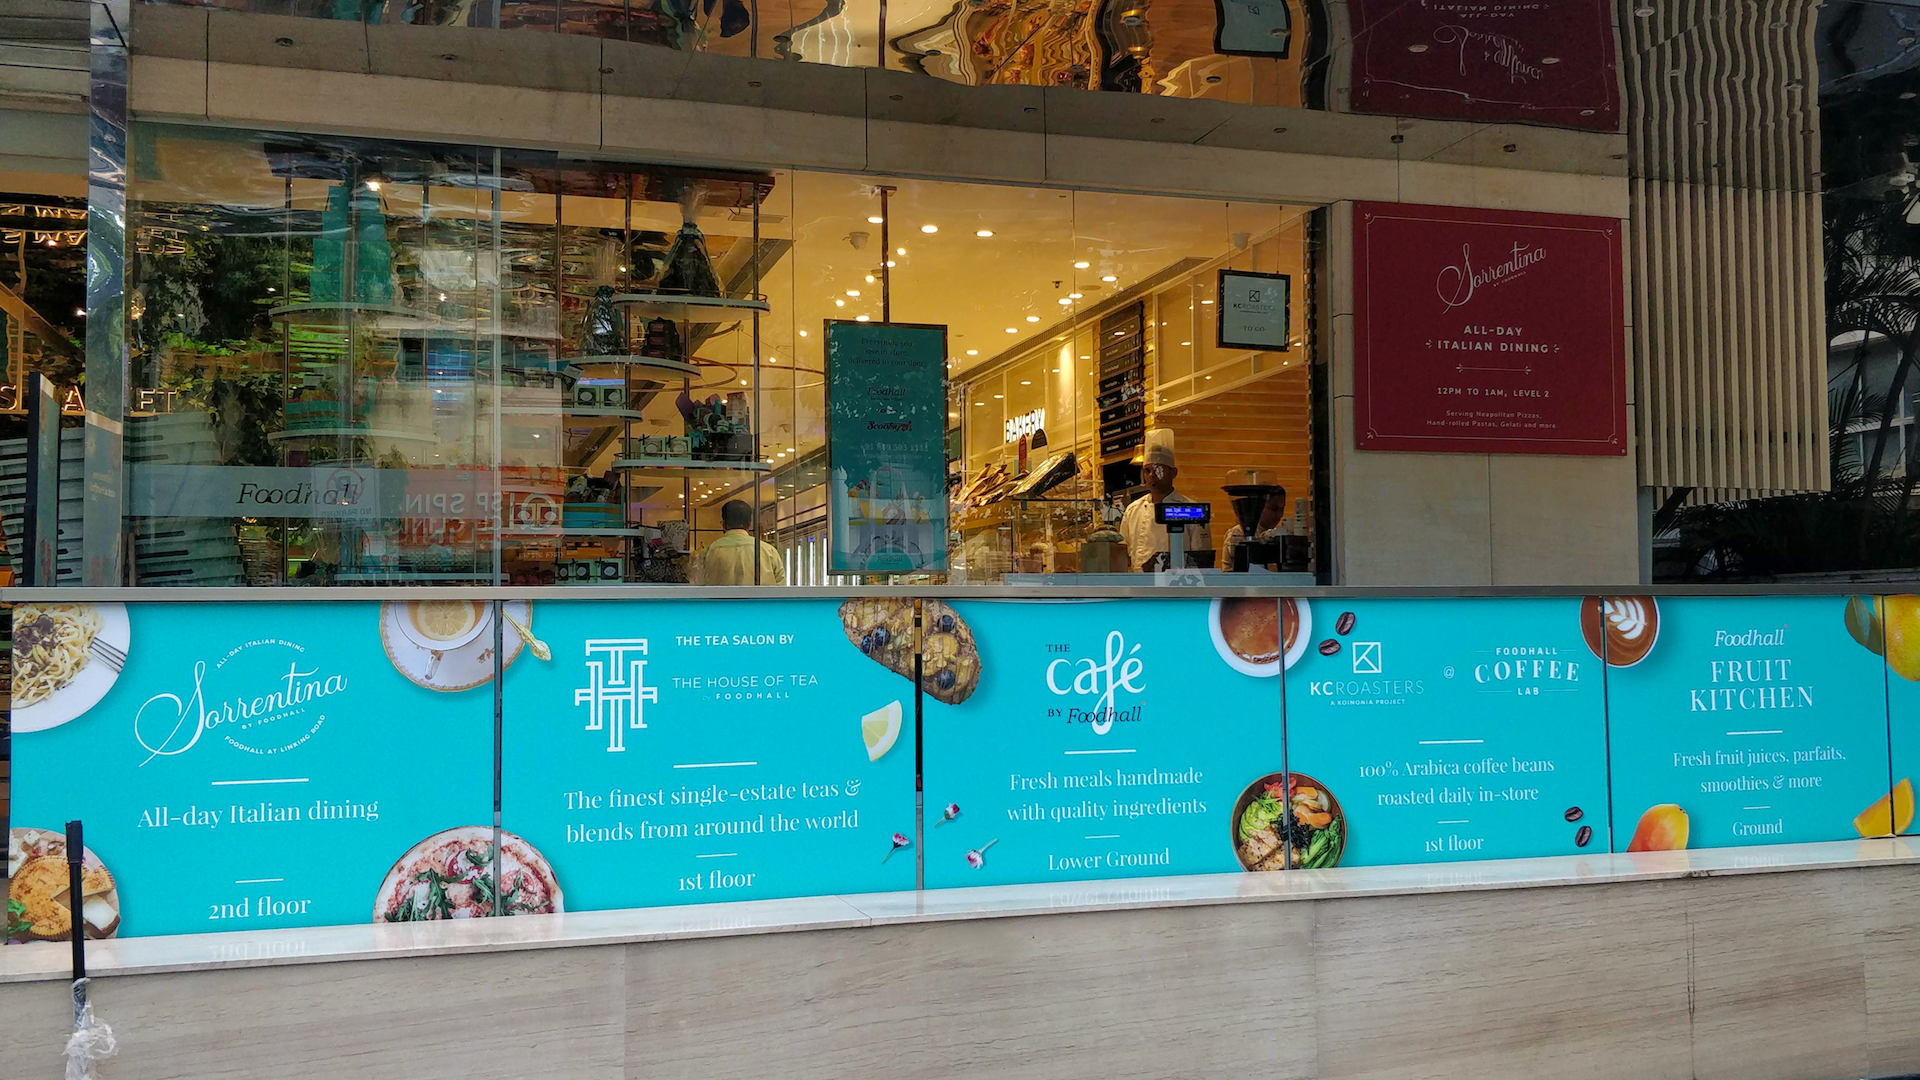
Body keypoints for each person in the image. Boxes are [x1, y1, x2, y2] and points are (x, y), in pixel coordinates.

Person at [1119, 429, 1212, 571]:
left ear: (1173, 473)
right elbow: (1122, 556)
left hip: (1177, 585)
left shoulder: (1190, 510)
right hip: (1139, 586)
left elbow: (1201, 559)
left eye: (1158, 470)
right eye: (1147, 471)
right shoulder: (1133, 510)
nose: (1151, 476)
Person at [690, 499, 786, 585]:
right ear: (750, 524)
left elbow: (697, 587)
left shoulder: (707, 552)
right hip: (760, 605)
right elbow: (780, 589)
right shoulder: (769, 552)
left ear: (723, 523)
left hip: (719, 605)